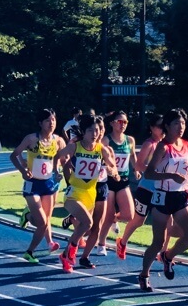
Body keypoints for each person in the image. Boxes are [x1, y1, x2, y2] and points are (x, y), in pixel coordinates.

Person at [138, 108, 188, 292]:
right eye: (176, 124)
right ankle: (144, 275)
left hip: (180, 196)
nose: (180, 127)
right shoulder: (163, 147)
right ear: (167, 126)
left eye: (183, 123)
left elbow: (187, 168)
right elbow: (148, 173)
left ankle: (168, 256)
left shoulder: (187, 145)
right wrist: (171, 175)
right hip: (162, 197)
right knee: (157, 241)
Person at [53, 114, 116, 273]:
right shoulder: (75, 146)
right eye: (90, 130)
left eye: (96, 130)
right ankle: (69, 254)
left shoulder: (101, 149)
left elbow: (113, 165)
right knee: (88, 223)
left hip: (91, 194)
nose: (94, 134)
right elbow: (57, 156)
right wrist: (56, 171)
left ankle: (66, 257)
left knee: (88, 227)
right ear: (83, 131)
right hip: (74, 194)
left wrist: (111, 170)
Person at [9, 108, 66, 263]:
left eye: (53, 120)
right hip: (32, 184)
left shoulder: (59, 141)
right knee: (41, 221)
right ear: (40, 123)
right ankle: (30, 250)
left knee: (45, 221)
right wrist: (22, 169)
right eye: (48, 121)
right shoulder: (31, 139)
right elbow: (14, 155)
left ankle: (30, 245)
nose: (51, 123)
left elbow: (64, 158)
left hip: (49, 184)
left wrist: (58, 170)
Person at [115, 114, 165, 259]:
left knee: (167, 220)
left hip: (162, 189)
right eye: (159, 126)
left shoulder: (168, 144)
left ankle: (164, 253)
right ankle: (122, 242)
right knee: (138, 220)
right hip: (146, 189)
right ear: (152, 128)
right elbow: (138, 165)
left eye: (164, 126)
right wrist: (153, 171)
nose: (162, 129)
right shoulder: (149, 144)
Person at [96, 110, 141, 256]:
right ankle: (101, 243)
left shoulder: (130, 140)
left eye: (125, 122)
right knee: (107, 215)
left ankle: (114, 220)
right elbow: (100, 159)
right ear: (112, 123)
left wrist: (136, 169)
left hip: (123, 180)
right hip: (108, 181)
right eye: (120, 121)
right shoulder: (106, 141)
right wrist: (109, 169)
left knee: (129, 214)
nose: (123, 125)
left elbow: (133, 156)